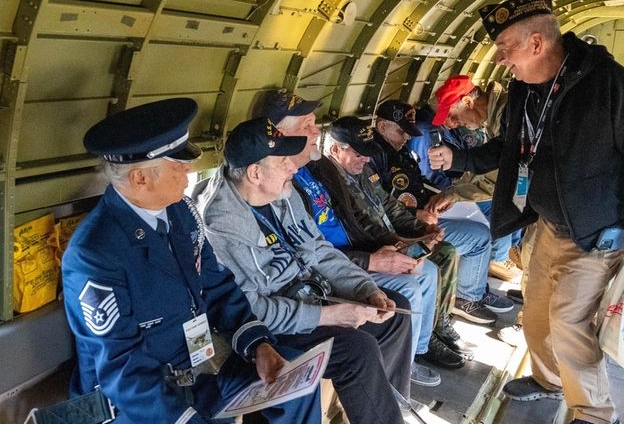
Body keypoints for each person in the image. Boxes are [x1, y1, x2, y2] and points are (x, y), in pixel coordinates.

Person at [428, 0, 624, 424]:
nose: (502, 59)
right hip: (547, 225)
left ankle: (595, 414)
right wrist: (462, 160)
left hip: (594, 232)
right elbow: (510, 147)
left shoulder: (609, 84)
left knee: (569, 323)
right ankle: (548, 379)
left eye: (506, 48)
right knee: (536, 313)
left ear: (536, 43)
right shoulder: (526, 89)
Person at [61, 98, 320, 424]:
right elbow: (120, 370)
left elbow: (217, 285)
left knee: (296, 383)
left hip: (198, 367)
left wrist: (259, 346)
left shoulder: (180, 213)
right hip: (141, 401)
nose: (189, 171)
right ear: (141, 179)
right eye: (177, 165)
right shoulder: (95, 254)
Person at [197, 116, 412, 424]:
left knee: (395, 314)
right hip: (274, 325)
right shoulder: (221, 224)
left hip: (311, 296)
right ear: (255, 173)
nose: (294, 168)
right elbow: (248, 308)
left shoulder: (283, 193)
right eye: (284, 161)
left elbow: (320, 250)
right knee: (356, 348)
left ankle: (379, 404)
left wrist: (366, 289)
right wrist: (328, 316)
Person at [311, 115, 474, 368]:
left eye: (367, 153)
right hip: (366, 249)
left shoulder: (362, 170)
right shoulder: (330, 179)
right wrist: (397, 245)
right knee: (420, 277)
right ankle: (414, 352)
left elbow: (387, 204)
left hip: (385, 240)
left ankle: (425, 340)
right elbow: (360, 225)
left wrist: (420, 228)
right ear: (335, 150)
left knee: (435, 262)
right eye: (359, 154)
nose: (366, 159)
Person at [370, 99, 515, 325]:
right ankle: (465, 298)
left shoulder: (397, 151)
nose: (407, 138)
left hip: (426, 209)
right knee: (478, 236)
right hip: (407, 222)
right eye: (401, 132)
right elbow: (378, 201)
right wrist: (416, 214)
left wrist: (446, 194)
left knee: (488, 216)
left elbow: (418, 182)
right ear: (381, 127)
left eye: (408, 132)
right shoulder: (373, 157)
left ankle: (474, 289)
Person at [415, 76, 524, 280]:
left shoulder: (507, 115)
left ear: (467, 102)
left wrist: (455, 194)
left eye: (455, 117)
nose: (455, 124)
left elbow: (504, 175)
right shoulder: (498, 116)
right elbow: (490, 163)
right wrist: (453, 192)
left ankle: (501, 258)